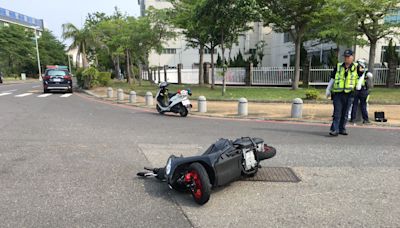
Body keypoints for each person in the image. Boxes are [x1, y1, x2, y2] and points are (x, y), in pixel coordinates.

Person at [326, 49, 359, 136]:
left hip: (349, 93)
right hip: (338, 93)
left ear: (352, 57)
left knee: (345, 113)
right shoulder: (338, 66)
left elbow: (362, 76)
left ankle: (342, 128)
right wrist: (328, 89)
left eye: (348, 57)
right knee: (337, 112)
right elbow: (332, 78)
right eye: (345, 57)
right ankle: (334, 129)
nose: (346, 58)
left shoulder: (357, 67)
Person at [350, 58, 373, 124]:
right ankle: (365, 119)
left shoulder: (354, 70)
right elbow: (370, 75)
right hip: (361, 89)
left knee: (355, 104)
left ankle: (353, 119)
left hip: (355, 89)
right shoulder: (364, 71)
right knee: (363, 105)